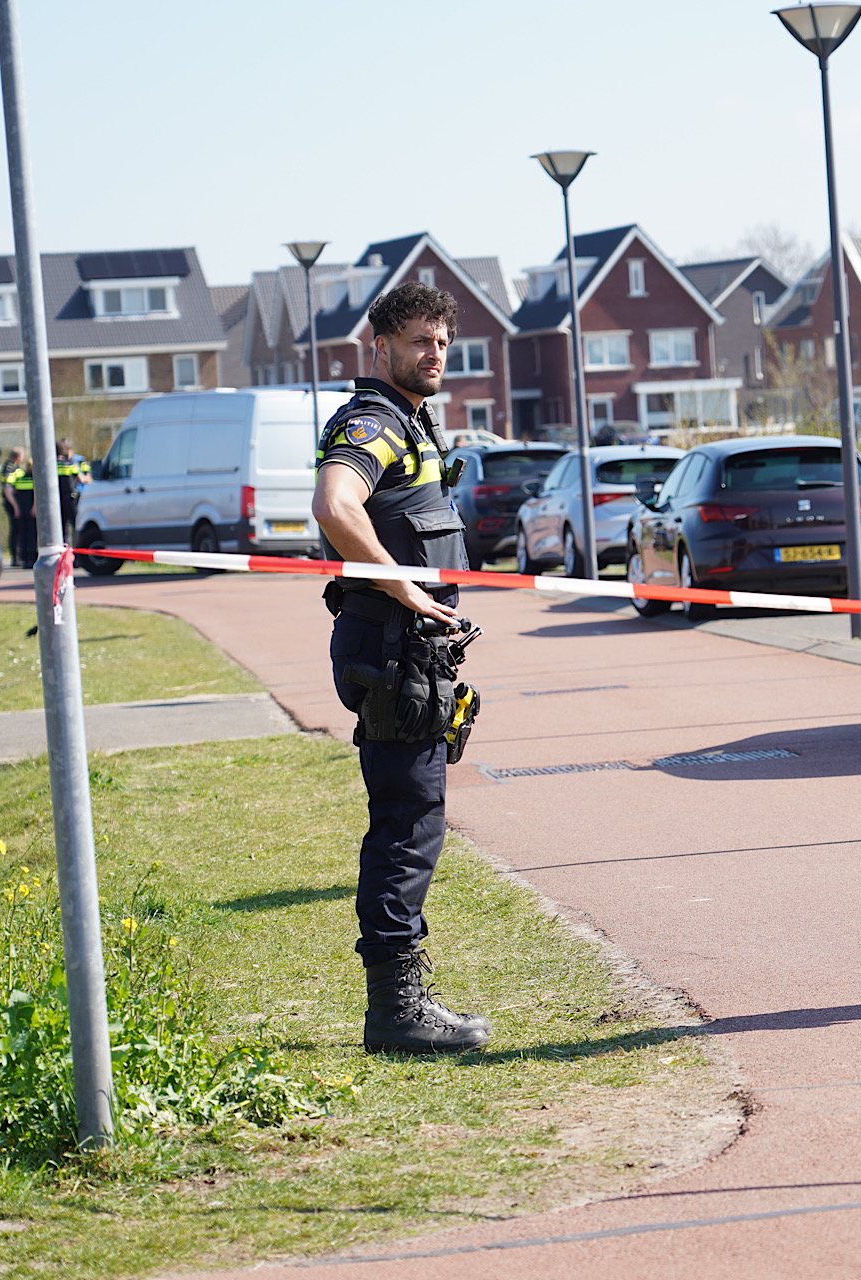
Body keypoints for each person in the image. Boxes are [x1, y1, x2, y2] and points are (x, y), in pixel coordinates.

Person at [310, 280, 490, 1055]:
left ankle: (404, 996)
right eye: (419, 340)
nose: (434, 354)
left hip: (411, 652)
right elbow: (334, 505)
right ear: (379, 345)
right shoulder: (375, 422)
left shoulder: (414, 426)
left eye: (442, 342)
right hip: (392, 650)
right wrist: (405, 588)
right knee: (407, 826)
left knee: (417, 820)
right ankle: (395, 1008)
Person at [54, 439, 91, 545]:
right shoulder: (70, 464)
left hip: (61, 499)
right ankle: (77, 549)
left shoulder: (52, 465)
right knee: (75, 524)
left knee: (63, 526)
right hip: (71, 497)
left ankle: (67, 547)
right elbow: (82, 479)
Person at [7, 452, 37, 568]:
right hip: (31, 511)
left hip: (22, 510)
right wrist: (34, 508)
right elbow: (36, 494)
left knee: (22, 535)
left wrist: (16, 508)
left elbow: (8, 490)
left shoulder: (19, 478)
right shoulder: (34, 479)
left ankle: (24, 559)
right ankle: (31, 558)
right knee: (32, 535)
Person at [0, 448, 28, 568]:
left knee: (17, 530)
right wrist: (16, 506)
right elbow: (8, 488)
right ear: (17, 457)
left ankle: (18, 556)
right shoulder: (10, 468)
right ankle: (16, 557)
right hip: (12, 502)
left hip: (13, 502)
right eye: (22, 456)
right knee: (16, 530)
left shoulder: (10, 467)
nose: (23, 459)